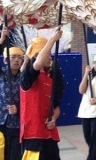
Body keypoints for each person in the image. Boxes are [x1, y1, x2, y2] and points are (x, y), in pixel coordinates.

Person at [20, 29, 64, 160]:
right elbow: (38, 64)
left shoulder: (51, 79)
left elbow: (56, 108)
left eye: (50, 54)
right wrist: (52, 40)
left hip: (49, 134)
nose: (49, 57)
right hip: (33, 135)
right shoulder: (27, 77)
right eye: (46, 54)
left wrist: (54, 119)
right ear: (36, 56)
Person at [0, 27, 23, 160]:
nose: (16, 60)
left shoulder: (24, 77)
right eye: (13, 57)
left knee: (14, 156)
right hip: (1, 121)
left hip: (17, 123)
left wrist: (18, 108)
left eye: (19, 58)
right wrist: (2, 39)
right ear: (5, 60)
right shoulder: (1, 74)